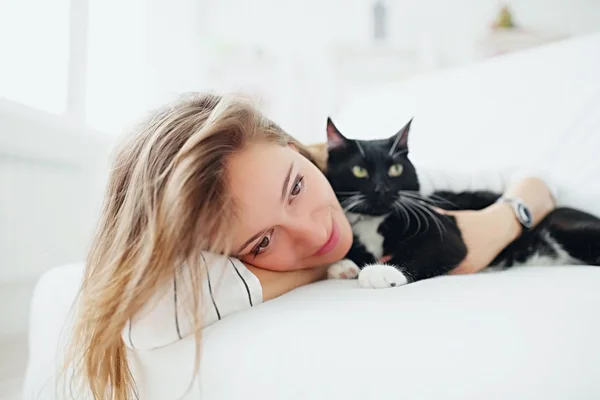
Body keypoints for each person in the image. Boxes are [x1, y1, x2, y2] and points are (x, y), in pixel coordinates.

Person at [64, 92, 555, 399]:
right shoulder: (215, 257)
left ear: (300, 151)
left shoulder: (359, 174)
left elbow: (531, 181)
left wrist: (497, 223)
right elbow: (135, 312)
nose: (316, 233)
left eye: (296, 187)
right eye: (262, 241)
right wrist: (320, 269)